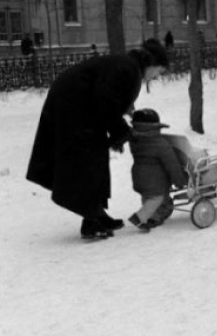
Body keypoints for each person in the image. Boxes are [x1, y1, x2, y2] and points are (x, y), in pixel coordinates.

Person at [26, 38, 169, 240]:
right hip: (73, 106)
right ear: (152, 65)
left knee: (95, 156)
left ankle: (96, 214)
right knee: (87, 159)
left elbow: (110, 95)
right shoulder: (129, 69)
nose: (156, 77)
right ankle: (91, 221)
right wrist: (122, 131)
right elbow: (107, 102)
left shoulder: (128, 66)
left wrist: (122, 120)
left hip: (77, 104)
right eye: (159, 72)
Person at [127, 109, 187, 231]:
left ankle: (155, 216)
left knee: (151, 199)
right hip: (156, 182)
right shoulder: (161, 144)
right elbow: (173, 165)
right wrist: (180, 181)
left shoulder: (135, 141)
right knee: (156, 199)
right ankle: (141, 217)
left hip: (139, 177)